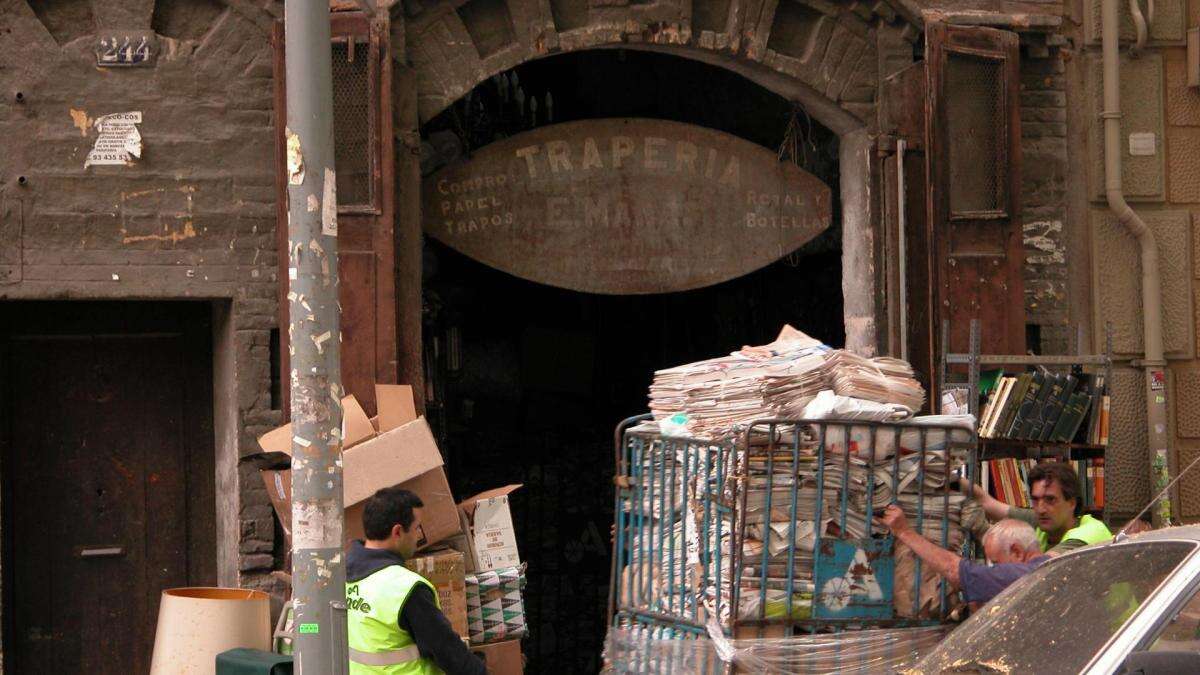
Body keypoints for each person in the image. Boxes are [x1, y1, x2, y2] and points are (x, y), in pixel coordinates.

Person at [346, 486, 485, 675]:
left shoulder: (340, 576)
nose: (419, 535)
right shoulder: (405, 588)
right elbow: (451, 656)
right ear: (397, 532)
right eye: (416, 527)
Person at [880, 505, 1050, 607]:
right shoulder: (1052, 566)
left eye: (996, 563)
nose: (994, 569)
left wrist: (903, 531)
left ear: (1017, 552)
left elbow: (954, 569)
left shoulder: (1020, 576)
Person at [961, 461, 1112, 555]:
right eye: (1035, 499)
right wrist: (949, 477)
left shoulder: (1088, 534)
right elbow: (986, 502)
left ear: (1072, 503)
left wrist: (984, 532)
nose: (1040, 509)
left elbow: (1040, 569)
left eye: (1050, 500)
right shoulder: (1047, 521)